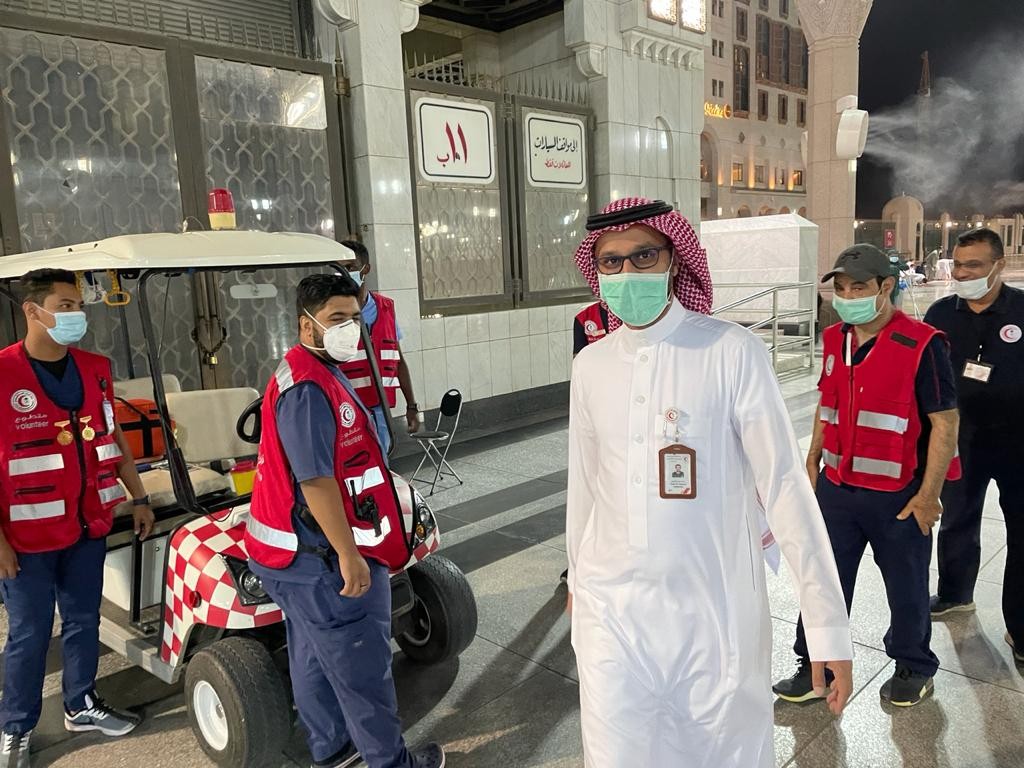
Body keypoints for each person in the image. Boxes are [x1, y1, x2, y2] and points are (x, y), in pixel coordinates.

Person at [566, 198, 853, 767]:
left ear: (674, 259)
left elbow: (784, 487)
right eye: (611, 262)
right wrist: (578, 577)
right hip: (611, 611)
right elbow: (586, 485)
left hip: (714, 612)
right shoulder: (591, 365)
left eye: (643, 256)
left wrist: (826, 625)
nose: (627, 273)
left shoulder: (731, 350)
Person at [245, 273, 444, 768]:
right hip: (320, 558)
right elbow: (315, 482)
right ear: (305, 325)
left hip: (294, 556)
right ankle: (390, 763)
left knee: (313, 653)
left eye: (354, 318)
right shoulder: (306, 388)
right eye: (336, 319)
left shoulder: (318, 369)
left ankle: (331, 747)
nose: (349, 329)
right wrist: (349, 555)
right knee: (363, 669)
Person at [775, 244, 960, 708]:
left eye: (858, 287)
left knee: (906, 584)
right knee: (823, 580)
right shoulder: (835, 338)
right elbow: (827, 399)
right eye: (840, 288)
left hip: (898, 495)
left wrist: (929, 495)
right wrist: (813, 459)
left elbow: (945, 422)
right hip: (837, 489)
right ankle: (814, 663)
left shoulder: (923, 344)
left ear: (885, 287)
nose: (848, 296)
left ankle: (914, 665)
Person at [0, 269, 155, 768]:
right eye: (65, 306)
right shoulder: (3, 374)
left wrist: (139, 496)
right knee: (29, 633)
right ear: (32, 310)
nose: (76, 315)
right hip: (25, 536)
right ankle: (15, 728)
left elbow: (113, 437)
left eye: (78, 306)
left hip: (88, 524)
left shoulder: (95, 369)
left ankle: (81, 705)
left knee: (84, 619)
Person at [925, 228, 1024, 664]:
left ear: (999, 265)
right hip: (961, 439)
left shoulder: (1021, 309)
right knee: (957, 518)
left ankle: (1020, 627)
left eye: (974, 265)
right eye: (959, 265)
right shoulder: (940, 313)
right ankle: (954, 593)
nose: (963, 274)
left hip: (1018, 441)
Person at [338, 240, 420, 455]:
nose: (345, 274)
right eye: (340, 269)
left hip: (380, 408)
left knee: (382, 461)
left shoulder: (385, 308)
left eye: (351, 267)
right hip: (347, 410)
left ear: (366, 269)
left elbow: (397, 360)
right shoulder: (332, 313)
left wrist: (411, 406)